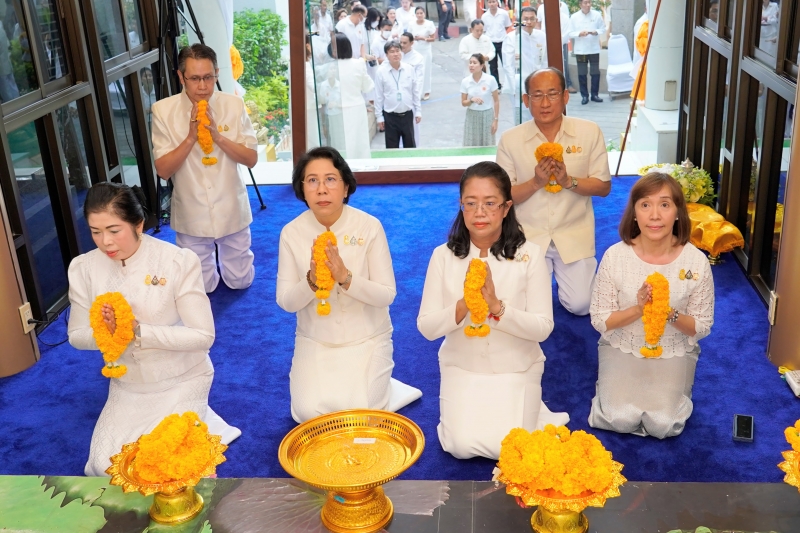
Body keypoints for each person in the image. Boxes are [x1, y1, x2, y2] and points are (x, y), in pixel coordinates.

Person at [68, 182, 241, 476]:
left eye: (114, 230)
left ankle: (195, 428)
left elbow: (203, 336)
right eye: (95, 232)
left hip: (182, 377)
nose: (105, 242)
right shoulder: (83, 268)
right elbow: (76, 336)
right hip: (129, 384)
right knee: (105, 467)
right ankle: (199, 429)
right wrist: (104, 331)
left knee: (162, 468)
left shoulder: (177, 261)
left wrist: (138, 331)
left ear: (138, 223)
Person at [417, 161, 569, 460]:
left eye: (490, 203)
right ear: (461, 206)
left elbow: (543, 327)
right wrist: (464, 304)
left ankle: (533, 409)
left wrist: (497, 307)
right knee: (459, 447)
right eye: (470, 203)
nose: (480, 212)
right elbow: (427, 327)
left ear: (506, 207)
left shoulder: (530, 255)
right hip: (462, 365)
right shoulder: (442, 256)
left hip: (516, 365)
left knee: (513, 451)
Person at [277, 147, 422, 423]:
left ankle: (386, 387)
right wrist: (310, 280)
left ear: (345, 187)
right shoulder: (291, 233)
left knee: (365, 416)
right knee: (306, 415)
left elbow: (386, 295)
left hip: (367, 337)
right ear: (302, 190)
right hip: (315, 339)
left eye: (330, 179)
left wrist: (345, 277)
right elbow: (285, 301)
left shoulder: (369, 227)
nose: (321, 189)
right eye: (312, 181)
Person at [588, 173, 714, 438]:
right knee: (617, 419)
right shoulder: (615, 256)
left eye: (665, 205)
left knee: (664, 425)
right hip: (622, 343)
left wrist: (667, 312)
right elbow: (601, 320)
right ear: (634, 213)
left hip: (673, 347)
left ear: (678, 213)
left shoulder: (696, 262)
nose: (654, 215)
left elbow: (701, 327)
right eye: (645, 205)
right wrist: (639, 307)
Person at [496, 68, 611, 316]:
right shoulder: (510, 139)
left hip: (573, 232)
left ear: (565, 97)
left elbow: (603, 187)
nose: (545, 103)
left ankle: (560, 283)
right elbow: (502, 199)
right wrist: (536, 182)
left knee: (581, 306)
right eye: (537, 95)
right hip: (527, 236)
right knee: (523, 309)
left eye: (552, 94)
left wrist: (569, 181)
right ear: (526, 100)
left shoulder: (589, 132)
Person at [151, 44, 257, 294]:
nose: (202, 86)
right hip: (192, 209)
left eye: (208, 78)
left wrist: (218, 137)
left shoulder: (234, 105)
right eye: (195, 78)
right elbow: (163, 170)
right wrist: (190, 138)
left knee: (241, 281)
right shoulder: (162, 111)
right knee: (203, 288)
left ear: (217, 73)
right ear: (181, 77)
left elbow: (251, 159)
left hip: (231, 204)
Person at [325, 33, 374, 159]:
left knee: (340, 145)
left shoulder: (330, 67)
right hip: (356, 107)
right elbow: (368, 87)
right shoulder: (358, 64)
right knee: (359, 143)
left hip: (336, 110)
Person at [502, 7, 547, 125]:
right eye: (526, 19)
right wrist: (517, 89)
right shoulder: (512, 37)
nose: (529, 22)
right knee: (522, 119)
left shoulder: (541, 36)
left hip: (538, 84)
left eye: (532, 18)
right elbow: (508, 66)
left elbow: (544, 61)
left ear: (536, 20)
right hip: (519, 85)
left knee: (537, 116)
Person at [375, 41, 421, 148]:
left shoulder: (409, 69)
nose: (395, 54)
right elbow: (378, 96)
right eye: (392, 52)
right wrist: (379, 117)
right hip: (390, 116)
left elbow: (415, 92)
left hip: (407, 114)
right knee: (392, 148)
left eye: (397, 51)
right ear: (386, 55)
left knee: (410, 147)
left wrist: (418, 110)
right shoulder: (381, 72)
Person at [569, 0, 606, 105]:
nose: (588, 5)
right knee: (582, 73)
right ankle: (584, 96)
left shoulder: (597, 15)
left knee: (595, 73)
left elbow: (603, 29)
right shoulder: (574, 17)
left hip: (594, 48)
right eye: (585, 3)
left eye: (589, 2)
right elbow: (570, 33)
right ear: (580, 4)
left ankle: (595, 94)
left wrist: (596, 32)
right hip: (581, 50)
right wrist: (579, 34)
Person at [537, 0, 577, 94]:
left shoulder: (564, 13)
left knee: (563, 65)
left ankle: (567, 84)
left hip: (561, 44)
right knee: (544, 64)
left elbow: (566, 33)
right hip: (544, 43)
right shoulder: (541, 8)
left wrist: (554, 42)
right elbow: (539, 24)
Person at [461, 53, 499, 147]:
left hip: (487, 115)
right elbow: (463, 103)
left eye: (474, 63)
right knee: (471, 144)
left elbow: (496, 101)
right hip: (472, 116)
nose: (471, 65)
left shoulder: (490, 80)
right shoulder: (465, 81)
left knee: (487, 144)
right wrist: (471, 100)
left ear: (482, 65)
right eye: (470, 63)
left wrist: (495, 120)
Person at [399, 32, 425, 146]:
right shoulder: (396, 55)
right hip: (398, 98)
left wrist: (415, 98)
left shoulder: (418, 58)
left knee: (413, 127)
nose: (402, 45)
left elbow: (419, 80)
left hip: (411, 97)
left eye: (405, 43)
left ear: (412, 43)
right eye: (400, 42)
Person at [481, 0, 512, 91]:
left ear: (497, 2)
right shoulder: (484, 16)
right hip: (491, 43)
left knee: (506, 64)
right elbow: (485, 30)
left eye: (493, 1)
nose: (492, 4)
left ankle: (509, 85)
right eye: (490, 2)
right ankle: (496, 86)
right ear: (487, 3)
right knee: (493, 66)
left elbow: (507, 26)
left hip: (503, 42)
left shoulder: (503, 13)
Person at [410, 6, 436, 100]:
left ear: (424, 14)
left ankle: (426, 91)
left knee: (426, 70)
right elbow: (409, 37)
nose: (419, 15)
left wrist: (423, 38)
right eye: (418, 13)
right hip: (415, 49)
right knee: (415, 71)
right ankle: (415, 91)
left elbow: (433, 38)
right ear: (415, 14)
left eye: (421, 13)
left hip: (425, 50)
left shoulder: (429, 24)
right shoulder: (411, 24)